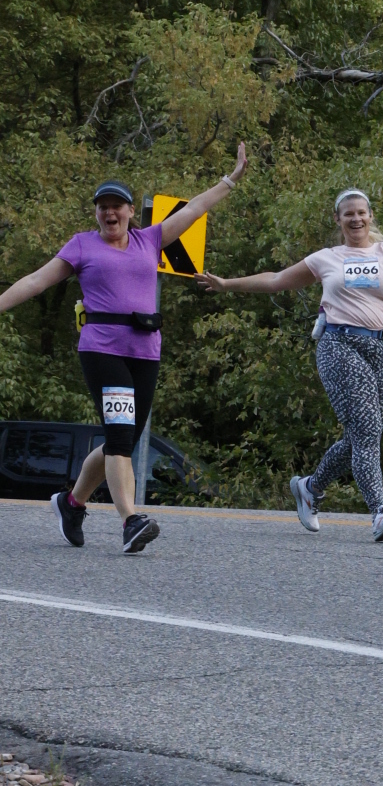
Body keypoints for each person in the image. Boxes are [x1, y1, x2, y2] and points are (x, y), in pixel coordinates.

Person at [200, 187, 383, 543]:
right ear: (338, 219)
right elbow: (277, 280)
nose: (356, 219)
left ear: (370, 216)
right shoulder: (326, 258)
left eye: (361, 212)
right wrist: (226, 284)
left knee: (363, 435)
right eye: (348, 214)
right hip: (340, 345)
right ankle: (379, 512)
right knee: (367, 430)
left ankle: (310, 488)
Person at [0, 146, 251, 554]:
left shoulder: (150, 239)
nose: (110, 213)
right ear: (96, 213)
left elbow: (195, 209)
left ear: (132, 211)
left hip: (145, 350)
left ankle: (71, 503)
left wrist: (231, 179)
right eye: (103, 207)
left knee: (124, 439)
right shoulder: (82, 245)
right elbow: (35, 281)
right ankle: (131, 520)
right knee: (119, 435)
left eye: (117, 206)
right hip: (102, 349)